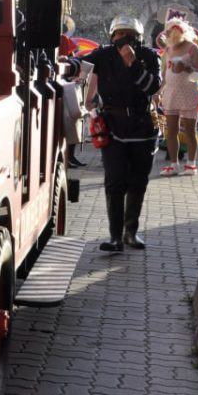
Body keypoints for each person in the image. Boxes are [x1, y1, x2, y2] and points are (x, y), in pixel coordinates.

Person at [65, 15, 162, 251]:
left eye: (129, 35)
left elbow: (152, 87)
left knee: (138, 181)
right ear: (112, 36)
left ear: (137, 38)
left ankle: (131, 232)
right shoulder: (104, 54)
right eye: (119, 34)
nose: (123, 39)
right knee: (114, 181)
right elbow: (82, 65)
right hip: (113, 125)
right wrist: (65, 64)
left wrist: (133, 64)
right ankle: (115, 237)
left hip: (142, 126)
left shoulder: (149, 56)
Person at [157, 18, 198, 175]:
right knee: (171, 131)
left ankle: (191, 165)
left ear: (179, 31)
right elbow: (165, 74)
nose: (169, 33)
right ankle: (174, 164)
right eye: (168, 31)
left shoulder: (193, 49)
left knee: (190, 131)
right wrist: (158, 92)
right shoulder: (168, 49)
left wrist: (186, 68)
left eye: (171, 30)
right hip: (171, 94)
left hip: (189, 93)